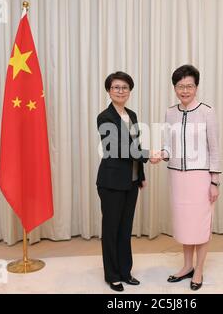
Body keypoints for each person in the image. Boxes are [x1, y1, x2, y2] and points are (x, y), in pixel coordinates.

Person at [159, 64, 222, 290]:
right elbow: (168, 145)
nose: (184, 91)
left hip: (201, 179)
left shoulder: (207, 111)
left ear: (196, 87)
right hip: (178, 178)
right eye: (180, 86)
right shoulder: (170, 112)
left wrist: (214, 181)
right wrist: (161, 154)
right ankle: (186, 267)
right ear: (174, 88)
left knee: (201, 226)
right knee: (185, 226)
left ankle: (199, 270)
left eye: (189, 86)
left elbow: (214, 149)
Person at [96, 71, 158, 292]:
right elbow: (119, 149)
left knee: (125, 229)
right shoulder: (104, 117)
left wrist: (140, 176)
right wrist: (149, 154)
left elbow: (134, 145)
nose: (120, 91)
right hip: (111, 182)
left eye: (124, 87)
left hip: (131, 182)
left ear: (130, 91)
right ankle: (112, 275)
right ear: (109, 91)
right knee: (111, 229)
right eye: (116, 87)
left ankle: (125, 271)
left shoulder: (131, 114)